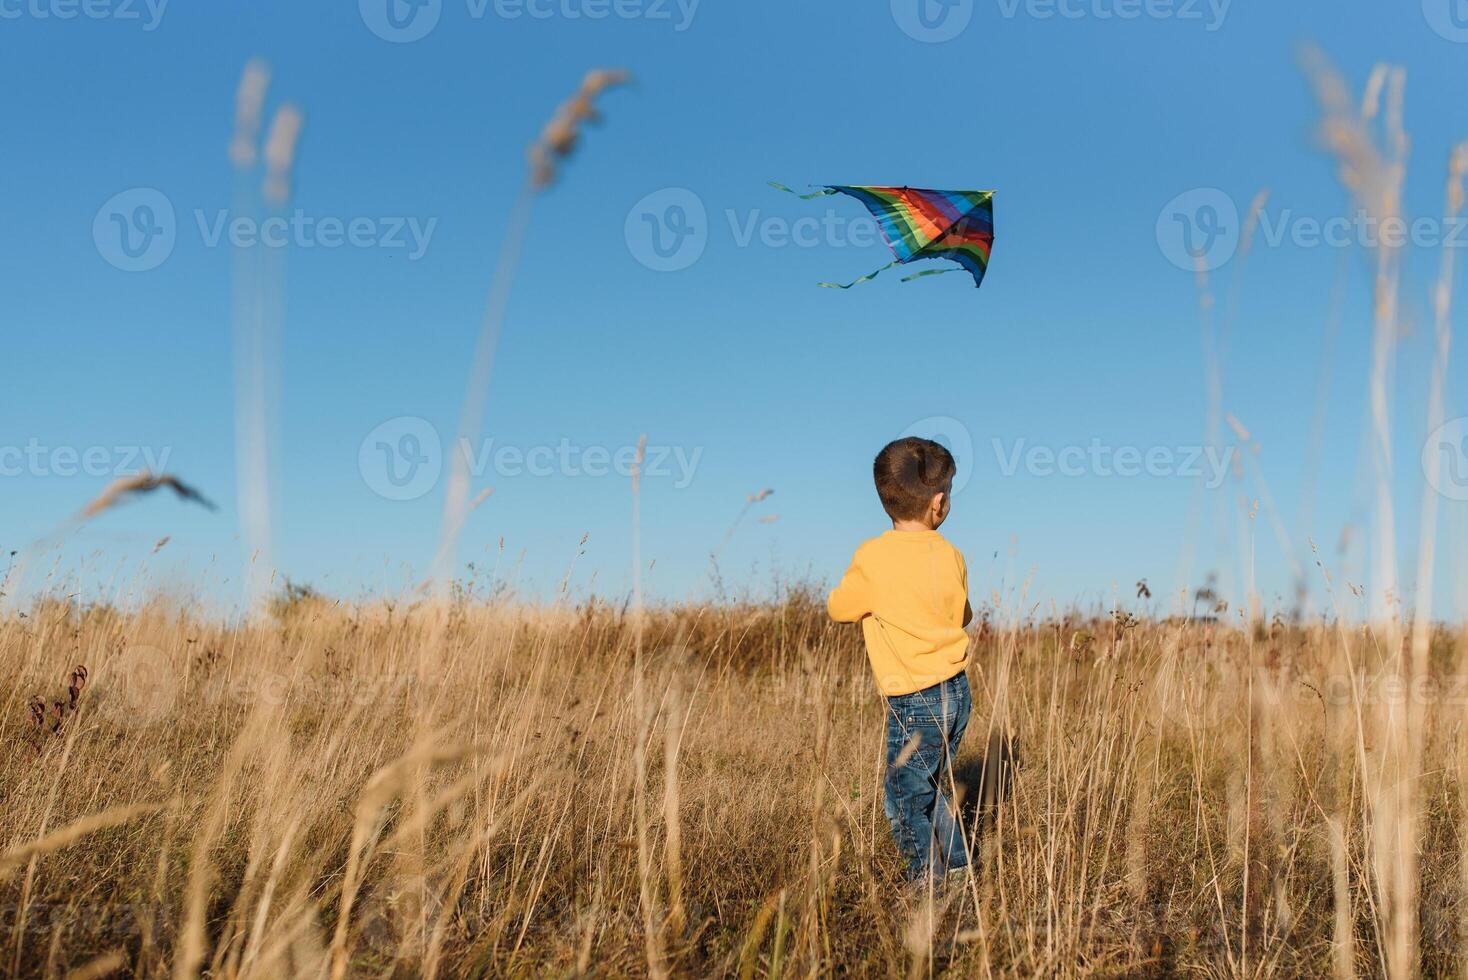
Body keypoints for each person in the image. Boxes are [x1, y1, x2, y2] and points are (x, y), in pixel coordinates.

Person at [828, 436, 974, 885]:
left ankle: (927, 880)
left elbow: (839, 608)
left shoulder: (873, 556)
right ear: (938, 503)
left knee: (904, 793)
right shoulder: (951, 554)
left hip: (913, 697)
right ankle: (958, 866)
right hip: (955, 690)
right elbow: (963, 614)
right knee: (927, 787)